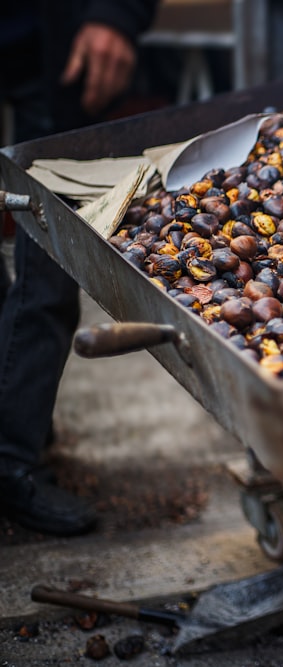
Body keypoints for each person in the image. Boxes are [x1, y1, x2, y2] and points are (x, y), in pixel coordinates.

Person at [0, 0, 160, 536]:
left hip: (51, 41)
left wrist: (112, 12)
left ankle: (11, 461)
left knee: (49, 257)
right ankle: (12, 422)